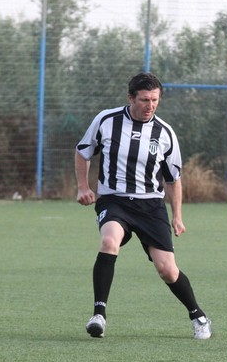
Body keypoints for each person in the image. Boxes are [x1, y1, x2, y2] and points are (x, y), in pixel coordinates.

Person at [75, 72, 212, 339]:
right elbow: (82, 152)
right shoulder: (106, 120)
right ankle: (99, 315)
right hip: (114, 200)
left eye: (155, 100)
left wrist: (177, 216)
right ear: (130, 98)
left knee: (167, 269)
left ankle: (198, 316)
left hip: (151, 206)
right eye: (145, 100)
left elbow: (173, 179)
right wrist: (83, 187)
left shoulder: (165, 132)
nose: (150, 105)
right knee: (109, 241)